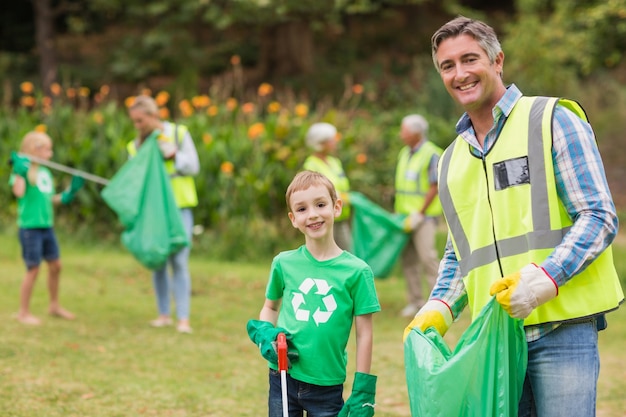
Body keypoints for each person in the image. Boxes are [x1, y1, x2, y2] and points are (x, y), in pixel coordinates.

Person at [404, 16, 624, 417]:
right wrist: (439, 306)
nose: (460, 74)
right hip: (495, 341)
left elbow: (598, 216)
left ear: (497, 60)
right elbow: (460, 253)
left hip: (563, 330)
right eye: (447, 66)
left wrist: (547, 278)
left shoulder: (553, 120)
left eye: (470, 59)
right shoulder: (451, 160)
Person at [246, 170, 380, 417]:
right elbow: (270, 307)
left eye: (320, 204)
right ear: (293, 218)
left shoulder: (358, 272)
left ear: (336, 207)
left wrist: (363, 387)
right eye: (302, 209)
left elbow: (364, 333)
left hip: (327, 384)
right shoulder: (283, 263)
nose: (313, 214)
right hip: (283, 375)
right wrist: (266, 333)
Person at [127, 95, 200, 334]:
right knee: (158, 261)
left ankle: (183, 319)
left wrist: (174, 155)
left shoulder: (179, 134)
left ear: (152, 115)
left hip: (179, 208)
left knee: (179, 261)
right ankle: (163, 315)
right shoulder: (135, 145)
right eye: (134, 122)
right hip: (153, 212)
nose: (137, 126)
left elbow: (194, 167)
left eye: (140, 121)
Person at [9, 131, 85, 325]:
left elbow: (48, 199)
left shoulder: (45, 173)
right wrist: (19, 173)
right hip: (30, 229)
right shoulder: (23, 170)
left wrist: (69, 193)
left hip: (46, 227)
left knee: (56, 266)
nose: (51, 154)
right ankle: (23, 312)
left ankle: (54, 305)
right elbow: (18, 192)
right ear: (35, 150)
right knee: (33, 269)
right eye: (48, 150)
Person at [394, 114, 443, 318]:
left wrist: (420, 212)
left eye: (404, 131)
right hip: (404, 217)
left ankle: (438, 303)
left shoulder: (431, 153)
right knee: (409, 261)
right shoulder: (405, 153)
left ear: (416, 133)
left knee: (428, 258)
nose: (401, 135)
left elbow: (434, 185)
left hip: (423, 219)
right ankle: (415, 303)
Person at [303, 122, 352, 251]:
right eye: (331, 140)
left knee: (346, 253)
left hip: (341, 216)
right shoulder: (311, 165)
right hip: (324, 218)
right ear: (321, 143)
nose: (334, 143)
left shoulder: (335, 162)